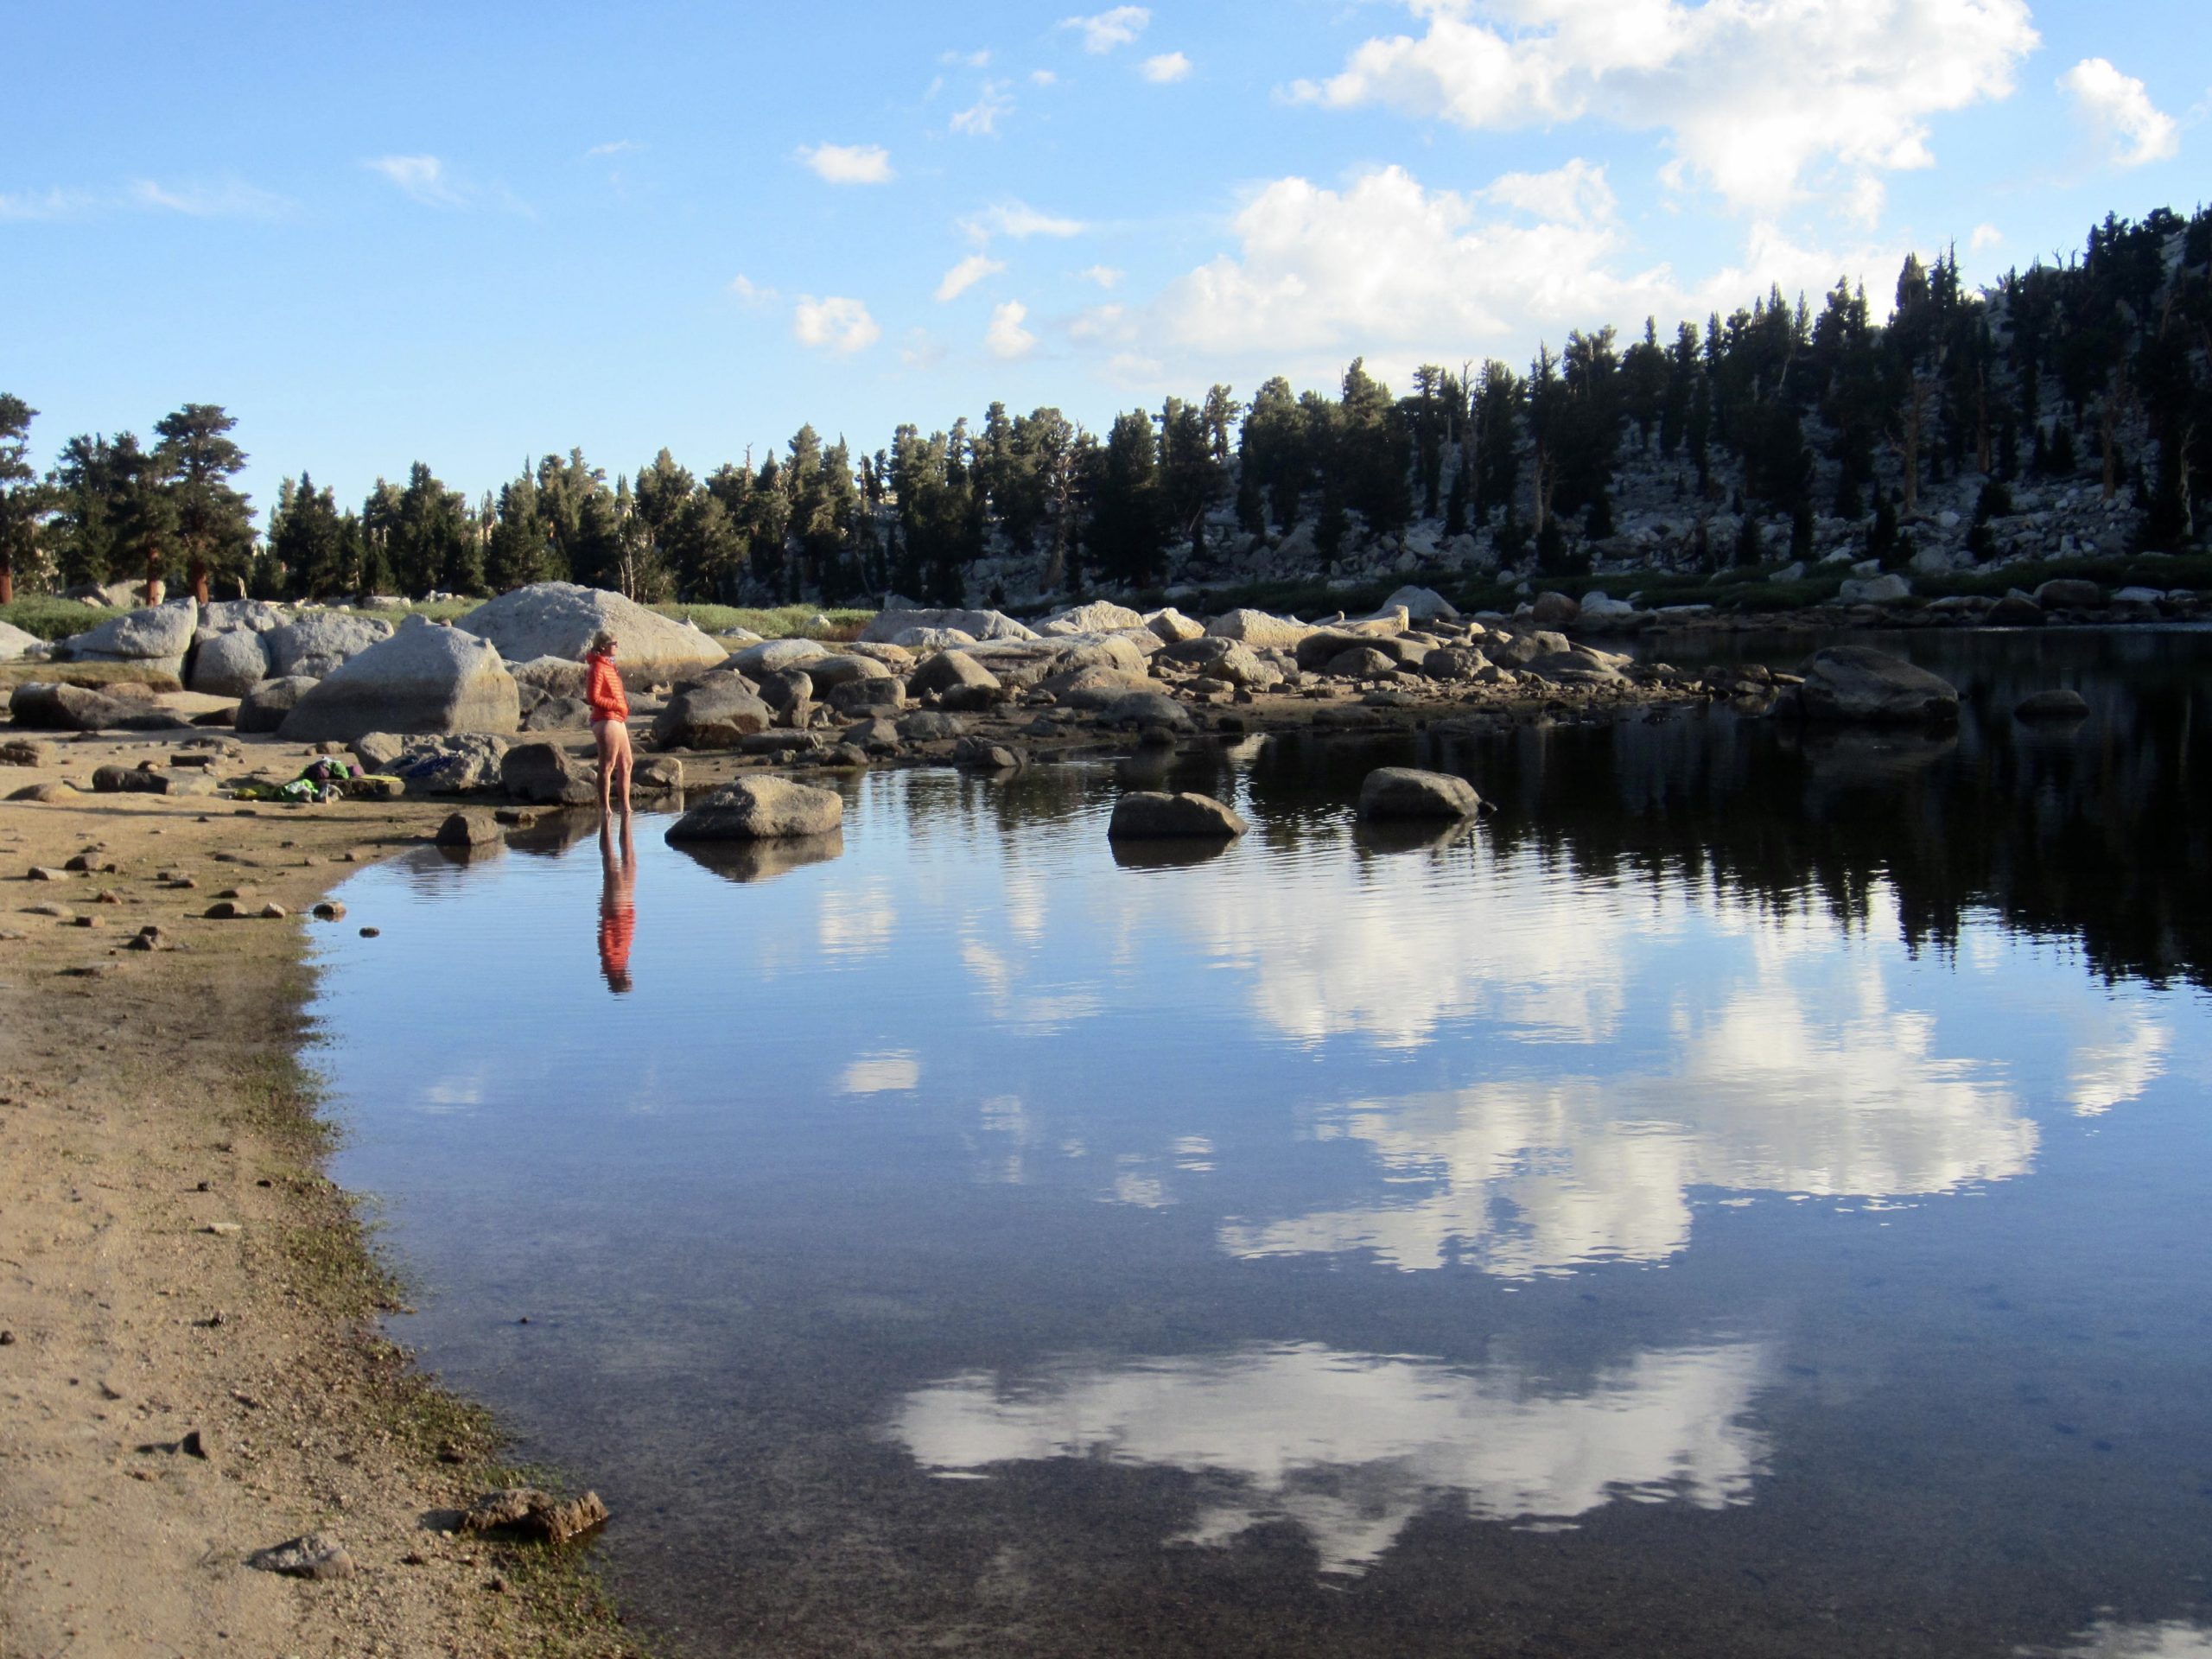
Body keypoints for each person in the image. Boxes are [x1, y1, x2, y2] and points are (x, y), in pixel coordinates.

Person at [585, 629, 632, 818]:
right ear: (603, 646)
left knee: (627, 763)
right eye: (614, 643)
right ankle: (605, 808)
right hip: (606, 719)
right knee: (608, 765)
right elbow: (593, 698)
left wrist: (621, 708)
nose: (617, 647)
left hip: (617, 718)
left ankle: (626, 807)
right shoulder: (597, 667)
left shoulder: (609, 666)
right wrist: (617, 705)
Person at [597, 815, 637, 994]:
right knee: (627, 862)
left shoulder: (612, 962)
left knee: (612, 864)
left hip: (616, 912)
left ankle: (606, 820)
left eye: (627, 979)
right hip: (621, 911)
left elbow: (606, 937)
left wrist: (609, 915)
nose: (629, 975)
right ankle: (614, 819)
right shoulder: (616, 962)